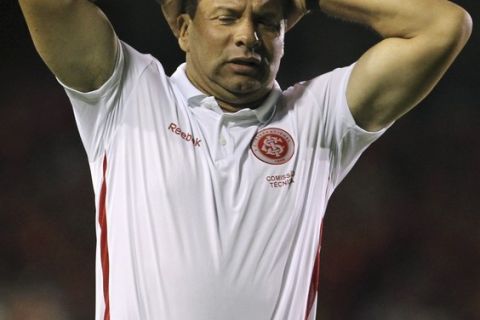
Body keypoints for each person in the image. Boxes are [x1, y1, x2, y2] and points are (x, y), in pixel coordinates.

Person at [19, 0, 471, 319]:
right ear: (183, 28)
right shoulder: (126, 91)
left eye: (269, 22)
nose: (248, 36)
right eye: (227, 16)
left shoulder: (318, 118)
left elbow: (444, 26)